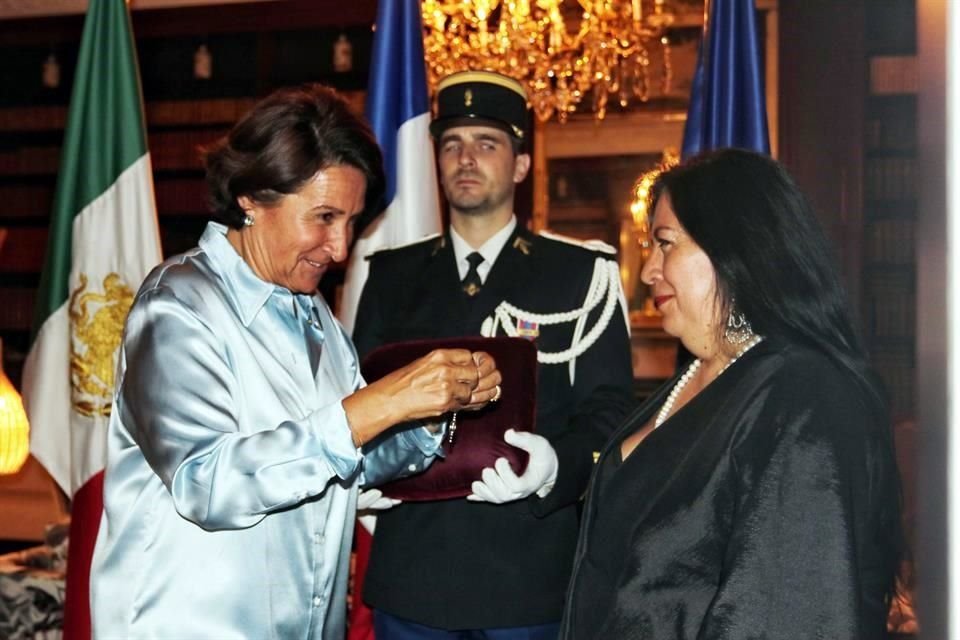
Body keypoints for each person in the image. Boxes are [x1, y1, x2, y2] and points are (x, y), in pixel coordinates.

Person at [89, 84, 502, 639]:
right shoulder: (178, 306)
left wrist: (428, 412)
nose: (339, 248)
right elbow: (207, 483)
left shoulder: (314, 316)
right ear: (252, 198)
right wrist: (375, 404)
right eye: (325, 216)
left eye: (352, 222)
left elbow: (347, 460)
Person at [560, 148, 903, 639]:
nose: (650, 269)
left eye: (666, 243)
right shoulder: (702, 376)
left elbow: (790, 617)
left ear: (733, 247)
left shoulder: (805, 396)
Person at [353, 70, 635, 638]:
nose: (466, 158)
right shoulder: (391, 277)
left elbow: (609, 413)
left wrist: (554, 467)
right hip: (416, 569)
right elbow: (359, 396)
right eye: (452, 144)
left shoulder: (579, 275)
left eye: (487, 143)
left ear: (521, 165)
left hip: (527, 572)